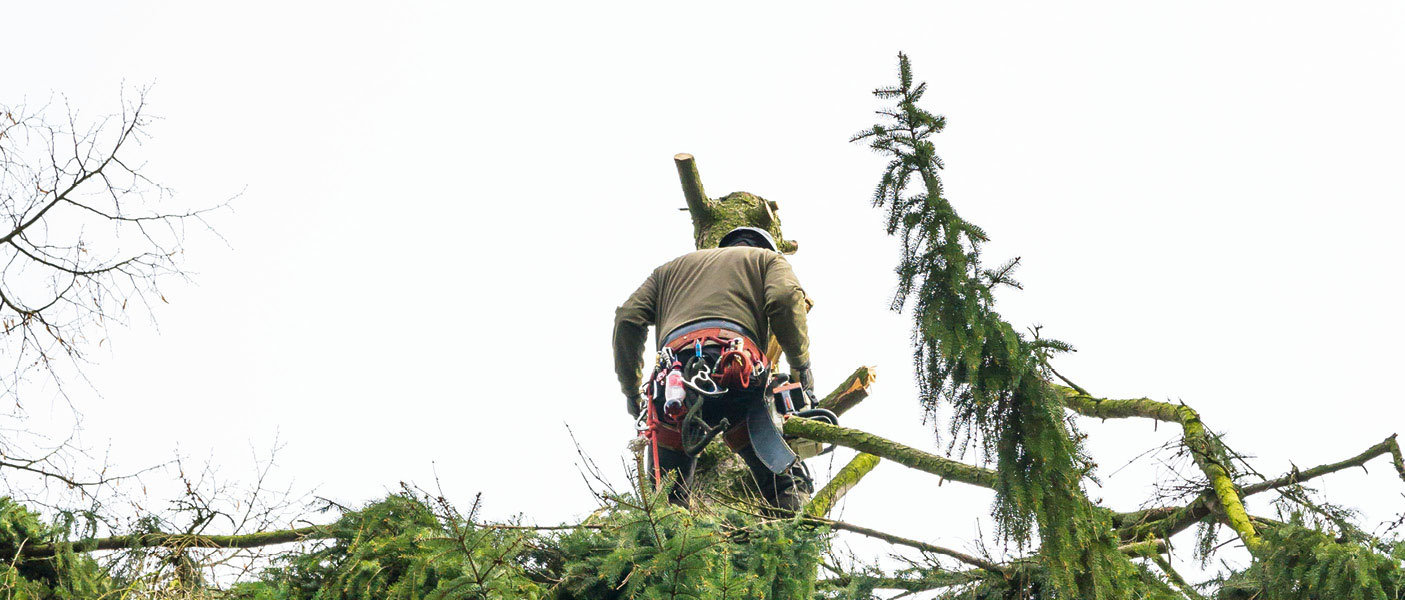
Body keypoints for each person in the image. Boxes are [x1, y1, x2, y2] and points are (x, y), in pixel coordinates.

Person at [613, 226, 816, 510]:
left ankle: (671, 547)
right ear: (766, 247)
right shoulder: (767, 260)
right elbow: (785, 298)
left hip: (675, 382)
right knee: (786, 483)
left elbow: (627, 319)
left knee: (664, 504)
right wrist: (801, 369)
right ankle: (794, 545)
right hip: (737, 375)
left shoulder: (667, 271)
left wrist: (632, 392)